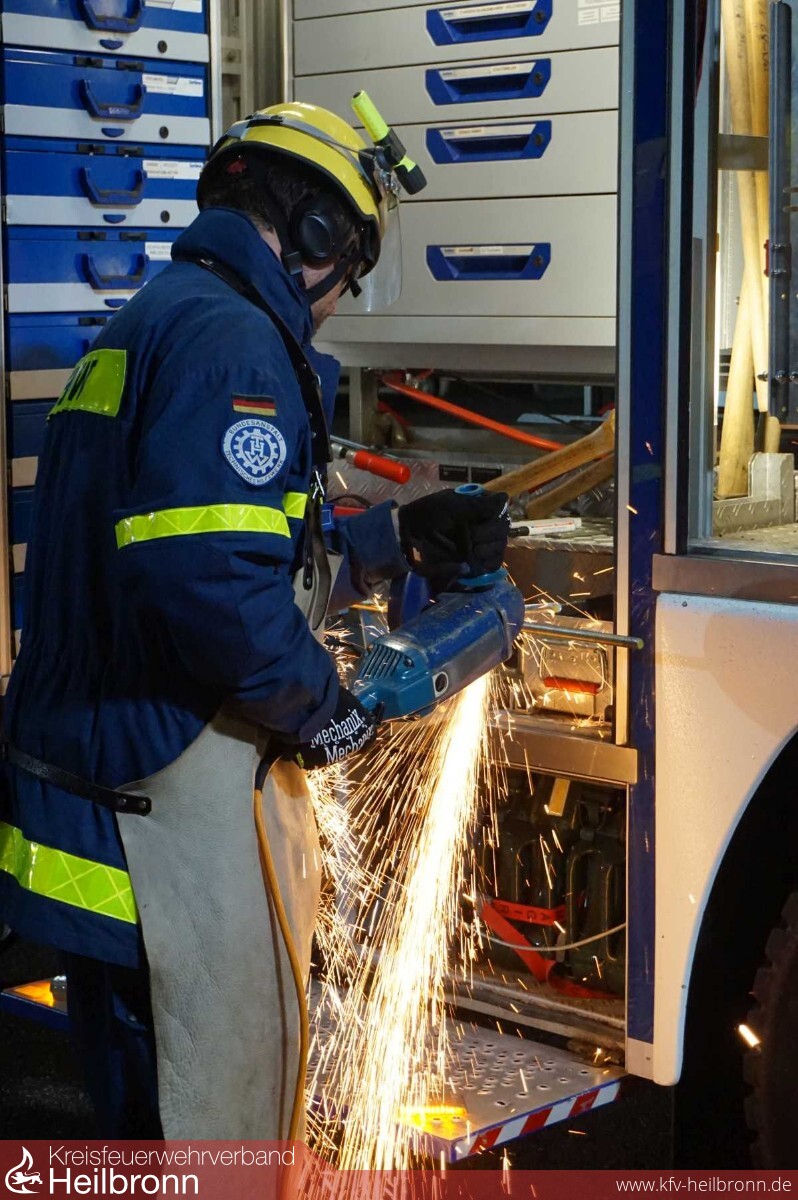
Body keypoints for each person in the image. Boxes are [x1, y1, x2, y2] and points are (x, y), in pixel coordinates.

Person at [0, 102, 509, 1139]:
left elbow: (220, 545)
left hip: (100, 808)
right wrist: (326, 711)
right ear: (317, 234)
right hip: (155, 844)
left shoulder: (157, 320)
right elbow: (215, 591)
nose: (338, 300)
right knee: (192, 1139)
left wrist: (398, 541)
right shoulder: (234, 345)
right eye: (348, 270)